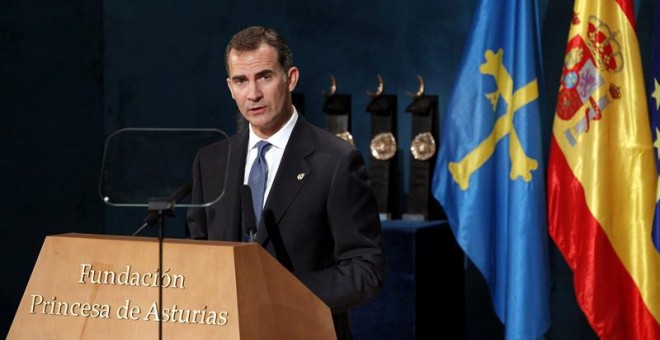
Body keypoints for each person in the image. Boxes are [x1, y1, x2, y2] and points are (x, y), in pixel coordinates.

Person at [186, 26, 385, 339]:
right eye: (241, 81)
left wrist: (281, 294)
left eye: (264, 76)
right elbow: (198, 256)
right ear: (230, 87)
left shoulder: (336, 161)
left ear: (290, 78)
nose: (253, 94)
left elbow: (365, 270)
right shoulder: (210, 162)